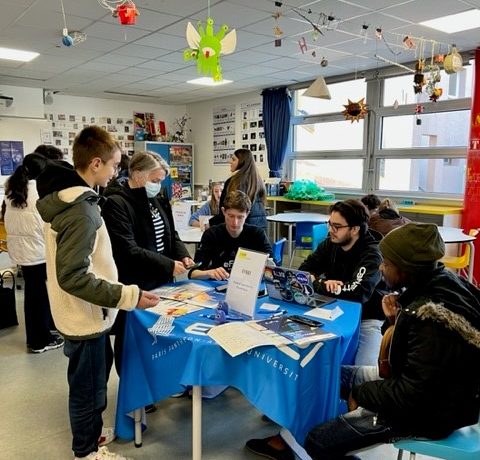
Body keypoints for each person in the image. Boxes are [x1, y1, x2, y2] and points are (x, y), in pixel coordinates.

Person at [247, 223, 480, 460]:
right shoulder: (441, 284)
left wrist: (361, 392)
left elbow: (412, 395)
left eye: (387, 264)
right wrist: (393, 320)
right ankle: (312, 433)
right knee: (324, 376)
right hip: (428, 389)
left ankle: (325, 442)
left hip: (429, 412)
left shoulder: (430, 318)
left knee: (318, 442)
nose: (381, 267)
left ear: (405, 268)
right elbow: (412, 358)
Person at [24, 126, 160, 460]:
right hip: (85, 316)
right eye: (114, 165)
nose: (116, 172)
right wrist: (127, 295)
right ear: (96, 164)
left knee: (95, 383)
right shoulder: (80, 210)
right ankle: (85, 452)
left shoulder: (74, 198)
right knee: (87, 389)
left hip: (88, 315)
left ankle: (93, 434)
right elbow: (73, 276)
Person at [102, 150, 194, 373]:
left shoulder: (158, 197)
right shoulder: (116, 203)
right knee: (132, 340)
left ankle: (156, 381)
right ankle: (133, 391)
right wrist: (169, 264)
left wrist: (182, 254)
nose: (158, 185)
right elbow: (129, 250)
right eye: (155, 180)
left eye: (161, 180)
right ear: (136, 174)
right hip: (135, 282)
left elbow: (171, 233)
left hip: (161, 281)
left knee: (158, 334)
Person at [299, 199, 384, 365]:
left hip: (367, 318)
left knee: (365, 371)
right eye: (330, 224)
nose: (330, 230)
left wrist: (318, 284)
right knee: (311, 358)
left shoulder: (372, 254)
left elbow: (358, 293)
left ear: (354, 229)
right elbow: (303, 271)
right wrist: (324, 284)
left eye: (336, 226)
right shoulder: (330, 243)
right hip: (330, 308)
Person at [2, 163, 63, 353]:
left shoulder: (12, 190)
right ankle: (39, 340)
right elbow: (47, 225)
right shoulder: (40, 192)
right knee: (39, 297)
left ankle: (42, 334)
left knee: (34, 295)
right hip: (38, 251)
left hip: (22, 252)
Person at [190, 190, 272, 281]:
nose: (235, 222)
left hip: (247, 286)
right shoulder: (212, 234)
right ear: (223, 211)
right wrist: (209, 273)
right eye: (231, 216)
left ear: (247, 214)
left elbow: (272, 268)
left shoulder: (257, 234)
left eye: (240, 217)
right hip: (218, 286)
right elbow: (193, 273)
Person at [209, 148, 267, 231]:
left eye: (233, 159)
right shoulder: (257, 180)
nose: (230, 162)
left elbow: (227, 211)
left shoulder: (235, 181)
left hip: (243, 231)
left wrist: (209, 223)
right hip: (260, 229)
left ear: (241, 162)